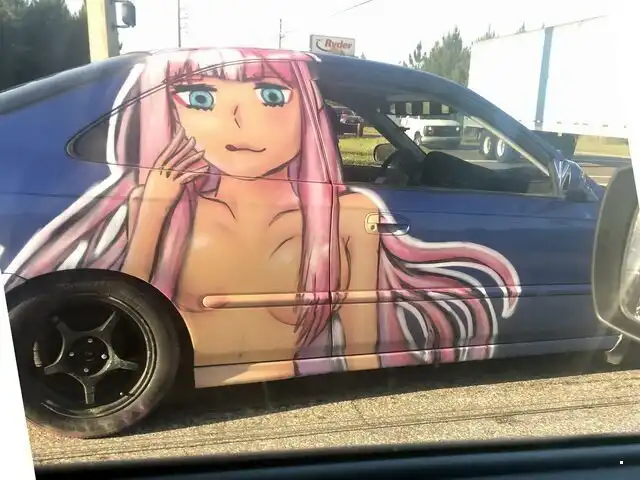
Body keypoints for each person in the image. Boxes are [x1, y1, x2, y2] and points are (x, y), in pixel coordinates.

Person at [5, 48, 521, 383]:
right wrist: (155, 202)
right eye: (200, 97)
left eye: (271, 96)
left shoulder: (348, 214)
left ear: (308, 112)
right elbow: (126, 291)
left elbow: (364, 344)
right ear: (172, 114)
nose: (236, 120)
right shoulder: (168, 204)